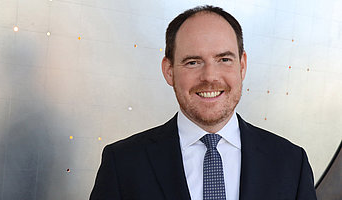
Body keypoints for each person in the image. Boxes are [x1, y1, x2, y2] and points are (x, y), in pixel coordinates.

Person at [90, 5, 317, 200]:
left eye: (224, 59)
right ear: (169, 71)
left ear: (242, 65)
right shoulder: (122, 164)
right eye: (193, 62)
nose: (210, 76)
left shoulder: (291, 163)